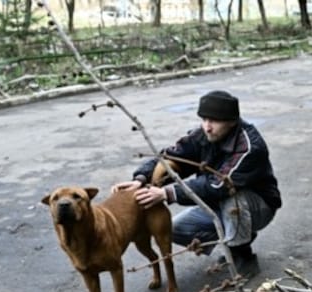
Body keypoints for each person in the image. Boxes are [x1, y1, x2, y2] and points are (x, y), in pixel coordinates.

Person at [113, 90, 281, 277]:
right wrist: (141, 180)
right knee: (175, 229)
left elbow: (218, 185)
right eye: (204, 119)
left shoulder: (249, 146)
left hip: (257, 205)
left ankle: (243, 255)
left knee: (232, 198)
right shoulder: (203, 135)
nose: (207, 127)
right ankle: (238, 236)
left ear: (232, 122)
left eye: (214, 121)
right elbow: (170, 156)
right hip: (218, 203)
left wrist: (167, 193)